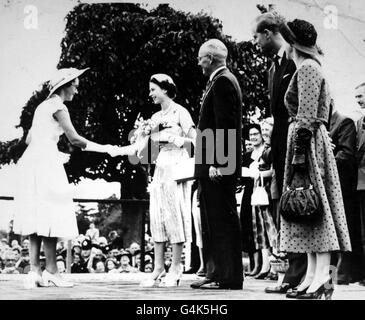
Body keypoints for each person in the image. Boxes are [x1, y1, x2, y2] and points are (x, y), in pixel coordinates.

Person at [12, 68, 114, 288]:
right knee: (50, 211)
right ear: (64, 86)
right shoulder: (59, 106)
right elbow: (75, 140)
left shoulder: (41, 107)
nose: (76, 90)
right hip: (47, 162)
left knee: (37, 213)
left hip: (31, 162)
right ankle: (52, 271)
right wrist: (106, 148)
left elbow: (30, 139)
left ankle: (37, 272)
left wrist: (46, 142)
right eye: (75, 85)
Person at [277, 18, 351, 299]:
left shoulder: (307, 68)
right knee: (309, 210)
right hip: (308, 142)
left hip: (306, 144)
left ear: (293, 43)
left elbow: (307, 114)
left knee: (314, 208)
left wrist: (299, 152)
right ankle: (313, 278)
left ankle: (321, 280)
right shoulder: (310, 67)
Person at [109, 73, 196, 287]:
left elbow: (196, 143)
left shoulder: (181, 112)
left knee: (174, 214)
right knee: (157, 216)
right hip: (160, 170)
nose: (150, 94)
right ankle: (158, 267)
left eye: (153, 89)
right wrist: (137, 142)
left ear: (165, 89)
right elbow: (146, 152)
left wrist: (174, 139)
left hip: (177, 168)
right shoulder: (154, 118)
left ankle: (176, 267)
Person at [252, 11, 307, 295]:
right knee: (283, 211)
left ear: (270, 33)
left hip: (297, 147)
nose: (254, 42)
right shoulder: (273, 69)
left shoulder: (295, 62)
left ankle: (299, 274)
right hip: (281, 150)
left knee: (298, 209)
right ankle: (290, 273)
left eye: (256, 36)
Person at [191, 39, 243, 290]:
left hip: (217, 166)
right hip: (211, 164)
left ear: (210, 59)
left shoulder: (223, 82)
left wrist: (217, 162)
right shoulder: (218, 81)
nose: (198, 62)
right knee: (212, 219)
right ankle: (216, 272)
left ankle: (228, 276)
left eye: (201, 58)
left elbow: (226, 125)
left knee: (222, 219)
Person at [329, 106, 364, 285]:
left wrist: (326, 156)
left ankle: (344, 274)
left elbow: (346, 155)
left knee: (345, 231)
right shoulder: (322, 125)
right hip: (329, 188)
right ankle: (333, 275)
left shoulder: (344, 122)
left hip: (343, 188)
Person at [355, 82, 365, 286]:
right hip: (360, 182)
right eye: (356, 97)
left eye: (361, 96)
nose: (359, 100)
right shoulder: (359, 121)